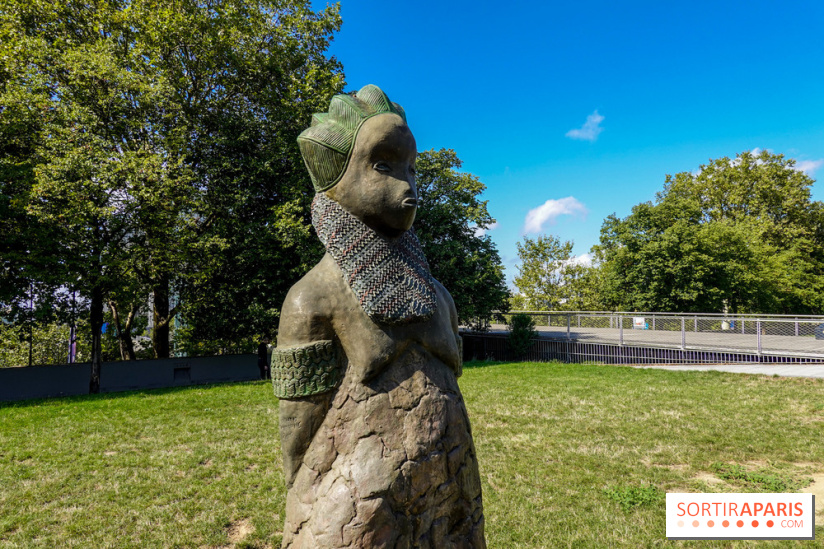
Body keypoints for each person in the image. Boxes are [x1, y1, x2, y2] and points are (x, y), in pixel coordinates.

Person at [271, 85, 485, 548]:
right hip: (356, 503)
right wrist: (300, 489)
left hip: (451, 485)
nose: (408, 186)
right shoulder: (312, 298)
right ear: (335, 177)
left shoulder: (440, 297)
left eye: (411, 169)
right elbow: (298, 420)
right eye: (383, 166)